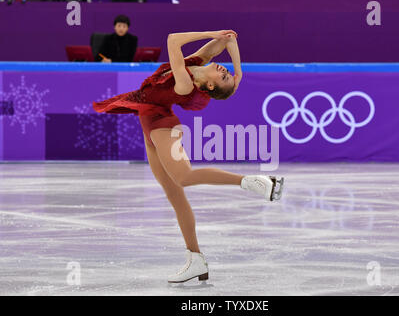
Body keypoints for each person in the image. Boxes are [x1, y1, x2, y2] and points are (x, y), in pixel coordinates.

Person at [92, 30, 284, 283]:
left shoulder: (185, 83)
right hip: (148, 124)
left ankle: (252, 182)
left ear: (211, 85)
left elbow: (172, 39)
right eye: (225, 71)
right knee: (175, 195)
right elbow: (228, 40)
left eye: (224, 75)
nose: (223, 69)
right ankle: (196, 259)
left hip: (162, 123)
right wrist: (239, 73)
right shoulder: (196, 63)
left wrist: (212, 34)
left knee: (183, 177)